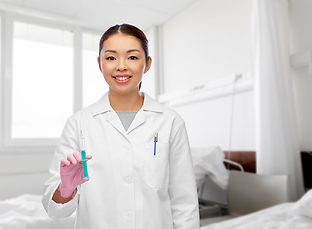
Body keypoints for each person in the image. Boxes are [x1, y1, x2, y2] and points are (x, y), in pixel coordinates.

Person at [42, 23, 200, 229]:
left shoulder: (170, 121)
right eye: (111, 57)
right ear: (100, 64)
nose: (121, 66)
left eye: (132, 57)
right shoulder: (78, 123)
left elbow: (184, 201)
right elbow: (56, 210)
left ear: (147, 63)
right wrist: (66, 188)